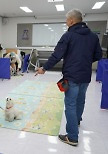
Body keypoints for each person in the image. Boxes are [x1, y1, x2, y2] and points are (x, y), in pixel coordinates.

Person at [36, 9, 102, 146]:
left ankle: (72, 137)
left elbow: (57, 55)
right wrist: (84, 61)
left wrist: (44, 68)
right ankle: (76, 122)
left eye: (67, 20)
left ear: (72, 21)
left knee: (70, 104)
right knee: (80, 100)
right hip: (85, 75)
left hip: (71, 75)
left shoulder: (68, 35)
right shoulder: (93, 37)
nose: (66, 23)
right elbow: (98, 55)